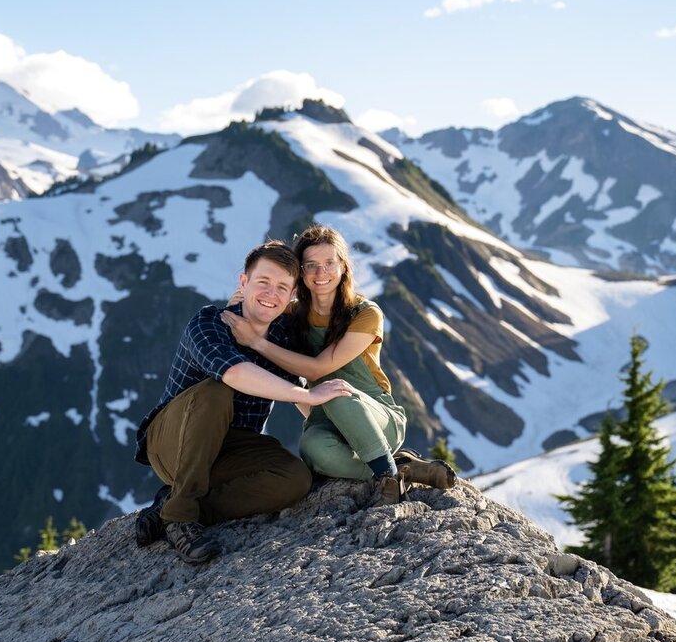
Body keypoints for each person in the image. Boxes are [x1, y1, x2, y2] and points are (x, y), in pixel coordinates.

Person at [133, 240, 355, 564]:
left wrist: (350, 440)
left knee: (294, 479)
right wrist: (306, 393)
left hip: (232, 447)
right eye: (263, 282)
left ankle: (174, 507)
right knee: (216, 390)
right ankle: (180, 518)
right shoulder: (209, 322)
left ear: (292, 296)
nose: (271, 293)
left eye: (282, 287)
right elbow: (235, 374)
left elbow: (305, 403)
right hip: (173, 442)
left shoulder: (280, 339)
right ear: (244, 282)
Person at [222, 224, 456, 504]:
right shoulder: (292, 314)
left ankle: (388, 478)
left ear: (343, 266)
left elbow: (319, 369)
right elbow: (257, 314)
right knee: (312, 449)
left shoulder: (365, 313)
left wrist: (257, 342)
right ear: (301, 273)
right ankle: (400, 469)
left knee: (336, 391)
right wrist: (244, 301)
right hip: (326, 419)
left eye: (329, 263)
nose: (321, 273)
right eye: (311, 265)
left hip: (377, 416)